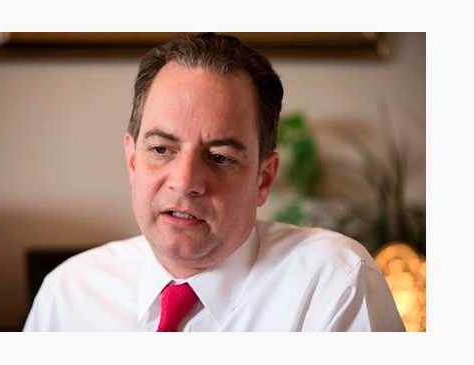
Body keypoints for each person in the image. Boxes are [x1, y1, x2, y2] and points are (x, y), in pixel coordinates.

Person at [23, 33, 405, 332]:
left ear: (263, 178)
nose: (186, 181)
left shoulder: (334, 283)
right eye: (161, 149)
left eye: (220, 157)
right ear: (132, 159)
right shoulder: (68, 292)